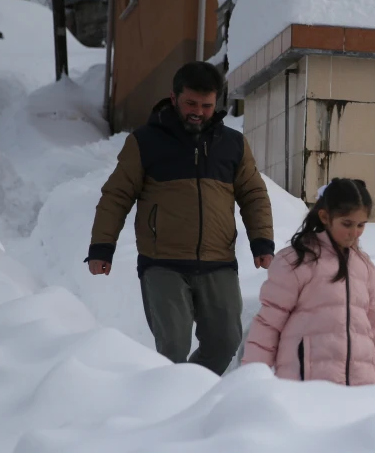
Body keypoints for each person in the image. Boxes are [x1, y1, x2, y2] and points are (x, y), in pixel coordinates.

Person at [86, 62, 274, 375]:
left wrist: (262, 242)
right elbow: (116, 196)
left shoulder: (233, 145)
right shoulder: (145, 142)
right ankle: (168, 405)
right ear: (174, 99)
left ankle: (187, 393)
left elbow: (253, 195)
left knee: (225, 342)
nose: (198, 112)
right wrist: (102, 247)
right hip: (163, 263)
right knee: (172, 346)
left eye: (207, 105)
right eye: (191, 103)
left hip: (218, 261)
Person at [241, 178, 375, 384]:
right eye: (347, 224)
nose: (354, 233)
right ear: (325, 217)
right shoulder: (296, 262)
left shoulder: (365, 268)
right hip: (306, 390)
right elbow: (268, 326)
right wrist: (252, 380)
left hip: (360, 392)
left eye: (361, 225)